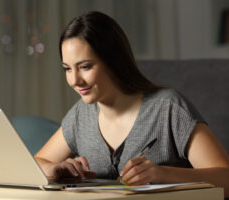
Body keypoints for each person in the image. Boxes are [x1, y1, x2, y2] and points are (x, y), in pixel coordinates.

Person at [35, 11, 229, 196]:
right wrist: (54, 169)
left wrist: (163, 175)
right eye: (67, 69)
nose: (74, 80)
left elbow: (225, 177)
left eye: (85, 66)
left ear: (113, 61)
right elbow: (36, 163)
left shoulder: (168, 108)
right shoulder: (80, 115)